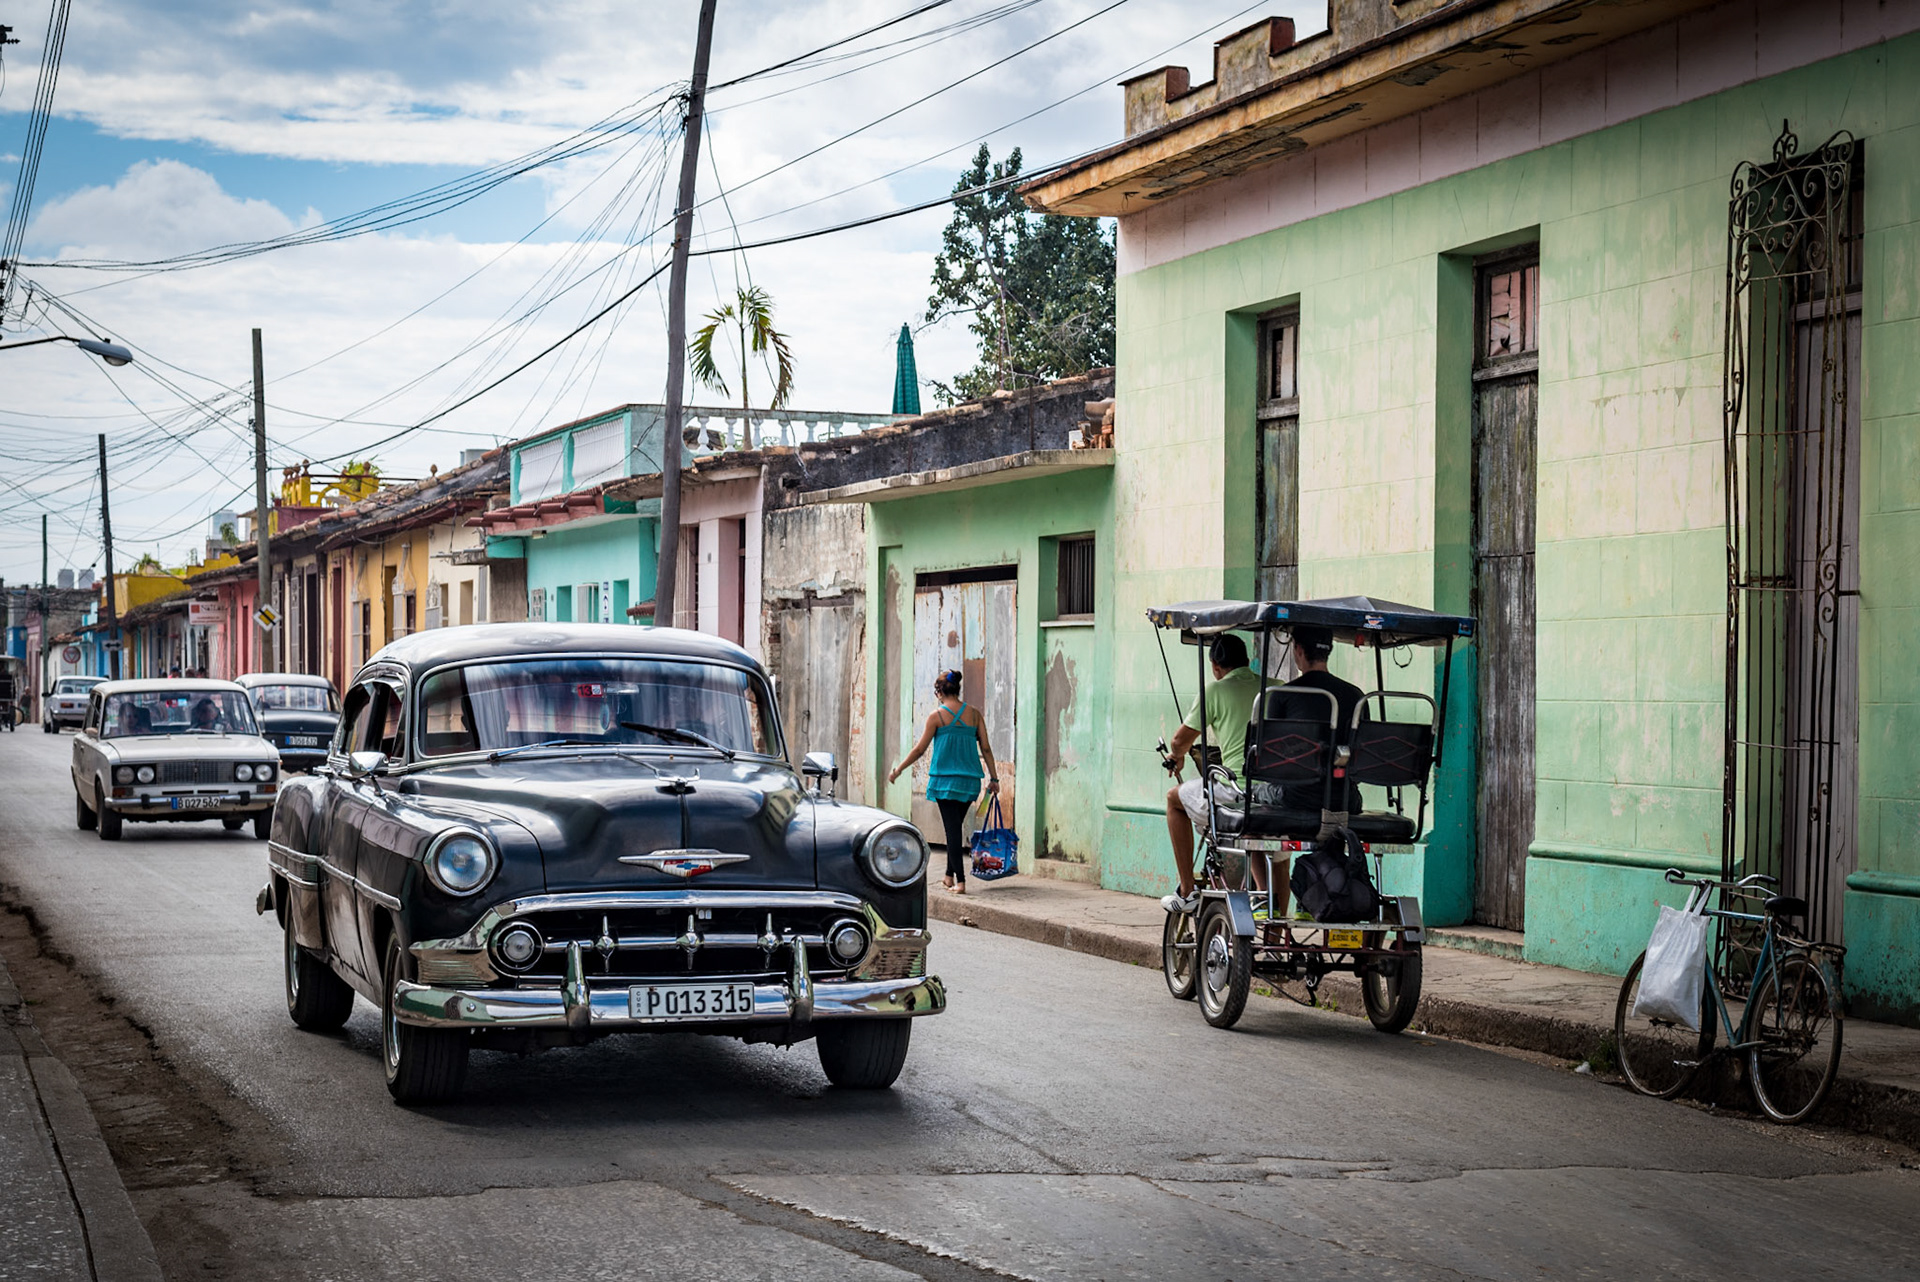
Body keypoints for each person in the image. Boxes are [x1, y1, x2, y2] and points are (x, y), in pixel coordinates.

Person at [1161, 633, 1261, 913]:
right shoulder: (1275, 687)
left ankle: (1187, 890)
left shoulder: (1215, 691)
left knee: (1173, 800)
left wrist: (1177, 757)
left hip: (1235, 791)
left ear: (1216, 666)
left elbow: (1180, 741)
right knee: (1270, 850)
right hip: (1275, 793)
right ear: (1247, 661)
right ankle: (1275, 910)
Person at [887, 670, 1000, 895]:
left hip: (945, 782)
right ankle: (948, 876)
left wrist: (899, 769)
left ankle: (961, 881)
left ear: (939, 692)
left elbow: (920, 749)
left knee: (952, 832)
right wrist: (994, 778)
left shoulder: (936, 717)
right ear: (956, 689)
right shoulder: (975, 715)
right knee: (954, 828)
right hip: (969, 783)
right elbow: (985, 748)